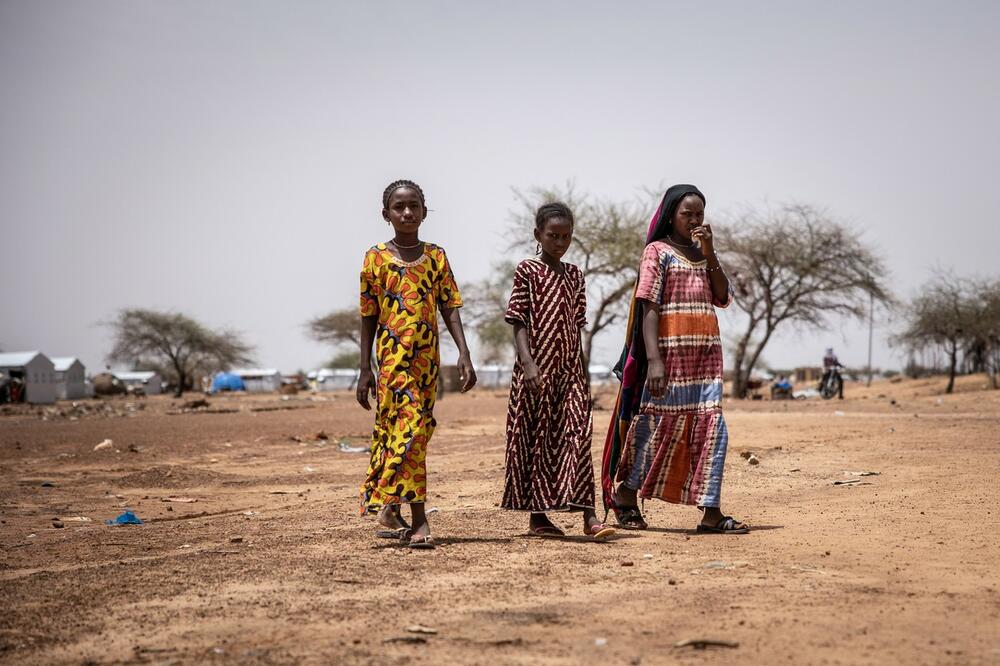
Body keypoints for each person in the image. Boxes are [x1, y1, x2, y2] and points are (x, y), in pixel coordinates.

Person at [600, 184, 749, 534]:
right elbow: (648, 306)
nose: (694, 220)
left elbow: (722, 296)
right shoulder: (657, 252)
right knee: (655, 431)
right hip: (669, 359)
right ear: (671, 214)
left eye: (699, 214)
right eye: (687, 214)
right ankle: (626, 495)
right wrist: (654, 360)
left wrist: (710, 251)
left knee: (712, 432)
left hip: (705, 361)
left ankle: (711, 513)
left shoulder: (702, 254)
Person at [356, 179, 477, 549]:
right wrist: (365, 369)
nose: (407, 213)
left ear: (424, 211)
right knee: (407, 428)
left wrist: (464, 352)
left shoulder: (436, 256)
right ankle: (420, 520)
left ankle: (390, 508)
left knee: (415, 436)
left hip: (428, 363)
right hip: (392, 363)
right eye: (399, 207)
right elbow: (368, 316)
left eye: (413, 206)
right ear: (386, 214)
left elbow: (449, 306)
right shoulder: (375, 258)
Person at [501, 202, 616, 541]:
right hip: (535, 371)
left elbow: (576, 327)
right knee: (537, 439)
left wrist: (580, 372)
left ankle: (589, 516)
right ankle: (538, 518)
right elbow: (518, 321)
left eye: (566, 237)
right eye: (553, 235)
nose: (560, 242)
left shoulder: (575, 276)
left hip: (569, 372)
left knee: (578, 436)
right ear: (538, 234)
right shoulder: (527, 270)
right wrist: (529, 364)